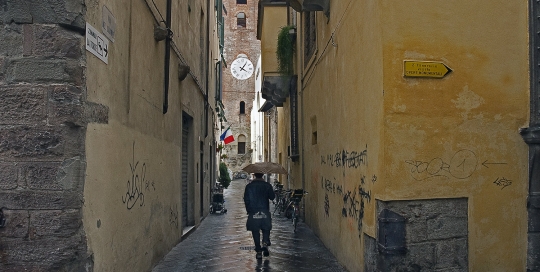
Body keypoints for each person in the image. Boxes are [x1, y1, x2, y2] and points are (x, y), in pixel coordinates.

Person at [243, 172, 275, 259]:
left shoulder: (249, 186)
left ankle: (258, 251)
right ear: (262, 175)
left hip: (253, 211)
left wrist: (249, 210)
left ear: (254, 175)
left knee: (255, 231)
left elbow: (246, 200)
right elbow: (272, 197)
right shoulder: (267, 185)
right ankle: (265, 242)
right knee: (266, 228)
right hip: (264, 210)